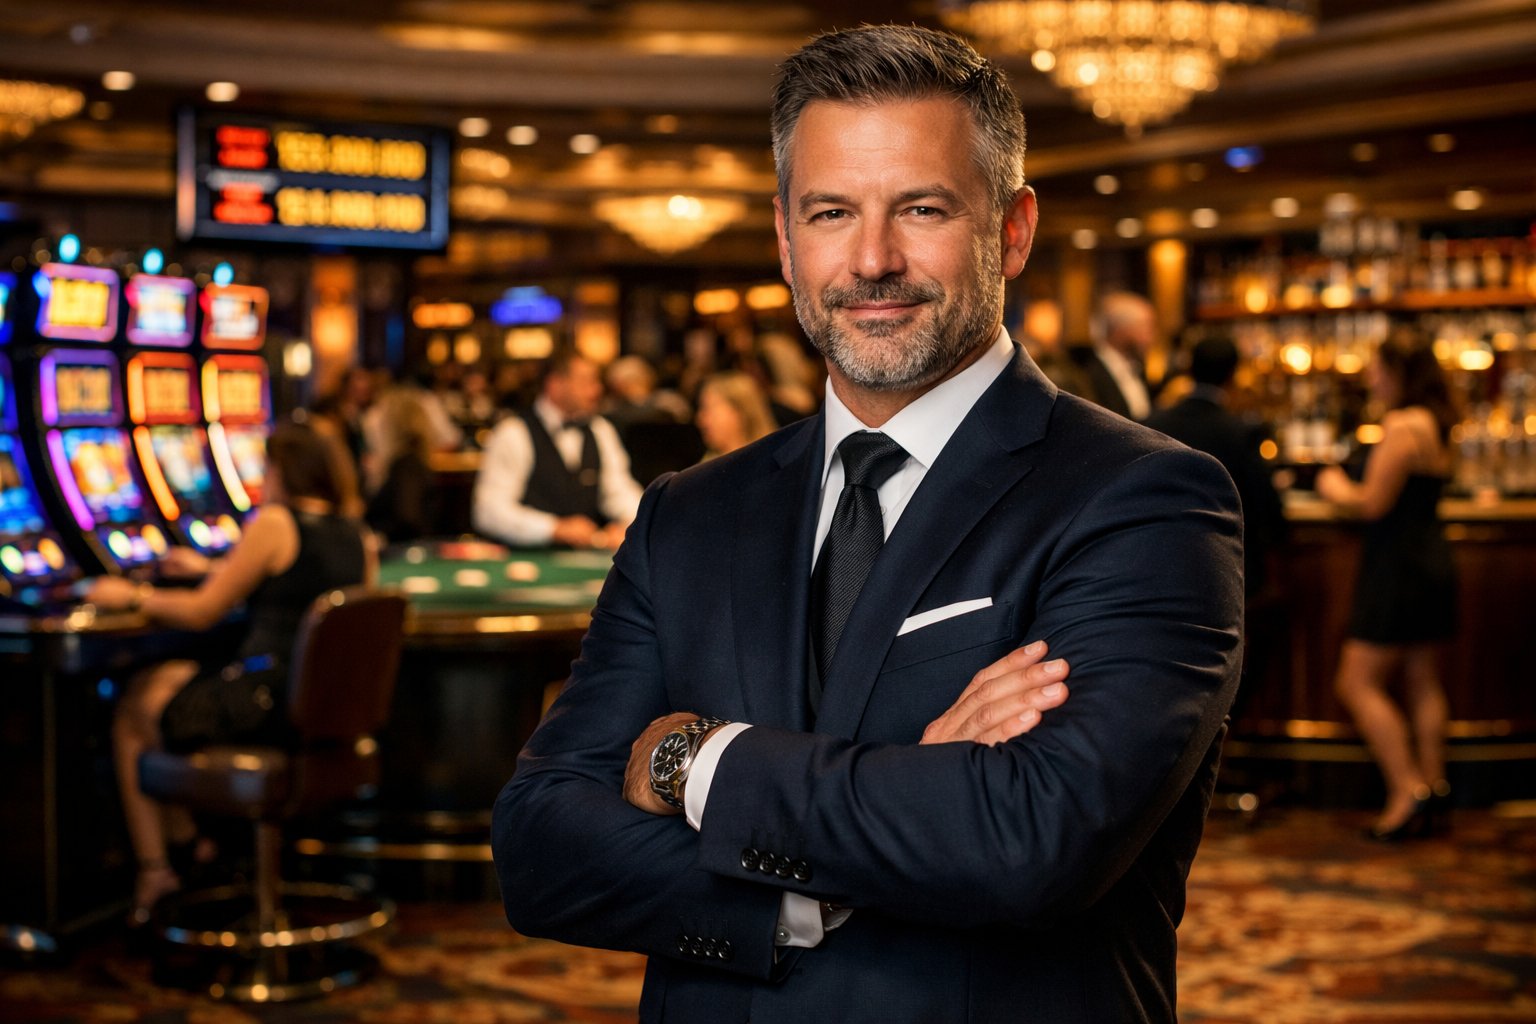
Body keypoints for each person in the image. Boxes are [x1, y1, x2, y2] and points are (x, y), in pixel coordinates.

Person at [492, 25, 1242, 1024]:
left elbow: (1028, 841)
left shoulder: (1146, 499)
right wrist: (837, 867)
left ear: (1013, 229)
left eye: (922, 208)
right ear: (786, 238)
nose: (873, 259)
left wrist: (692, 759)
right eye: (832, 212)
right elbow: (540, 846)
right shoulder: (690, 511)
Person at [86, 420, 373, 926]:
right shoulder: (358, 536)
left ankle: (158, 869)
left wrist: (130, 595)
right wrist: (209, 570)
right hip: (320, 714)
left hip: (264, 704)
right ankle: (195, 848)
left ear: (282, 471)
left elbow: (202, 612)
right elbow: (290, 579)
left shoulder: (275, 523)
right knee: (165, 679)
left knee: (133, 709)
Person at [1316, 334, 1458, 840]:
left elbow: (1372, 502)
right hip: (1431, 559)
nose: (1371, 378)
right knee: (1422, 680)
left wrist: (1331, 485)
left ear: (1399, 371)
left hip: (1398, 566)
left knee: (1355, 683)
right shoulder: (1437, 422)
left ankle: (1405, 792)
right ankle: (1434, 788)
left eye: (1377, 368)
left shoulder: (1403, 424)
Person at [1146, 335, 1286, 598]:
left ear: (1190, 370)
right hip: (1226, 572)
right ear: (1233, 375)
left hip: (1159, 567)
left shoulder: (1152, 425)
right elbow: (1266, 506)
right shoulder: (1240, 432)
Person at [472, 351, 643, 549]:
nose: (597, 390)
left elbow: (619, 491)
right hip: (524, 556)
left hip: (584, 558)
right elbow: (489, 512)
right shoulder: (513, 433)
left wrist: (631, 525)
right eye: (586, 381)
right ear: (555, 384)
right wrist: (553, 528)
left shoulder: (601, 430)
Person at [364, 386, 440, 544]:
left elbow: (408, 519)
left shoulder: (406, 465)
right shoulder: (409, 461)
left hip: (401, 553)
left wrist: (378, 538)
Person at [1070, 290, 1159, 420]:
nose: (1151, 337)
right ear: (1121, 330)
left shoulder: (1137, 367)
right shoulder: (1086, 373)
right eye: (1146, 327)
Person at [695, 370, 777, 459]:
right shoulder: (708, 464)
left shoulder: (775, 457)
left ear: (740, 410)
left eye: (708, 408)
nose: (700, 419)